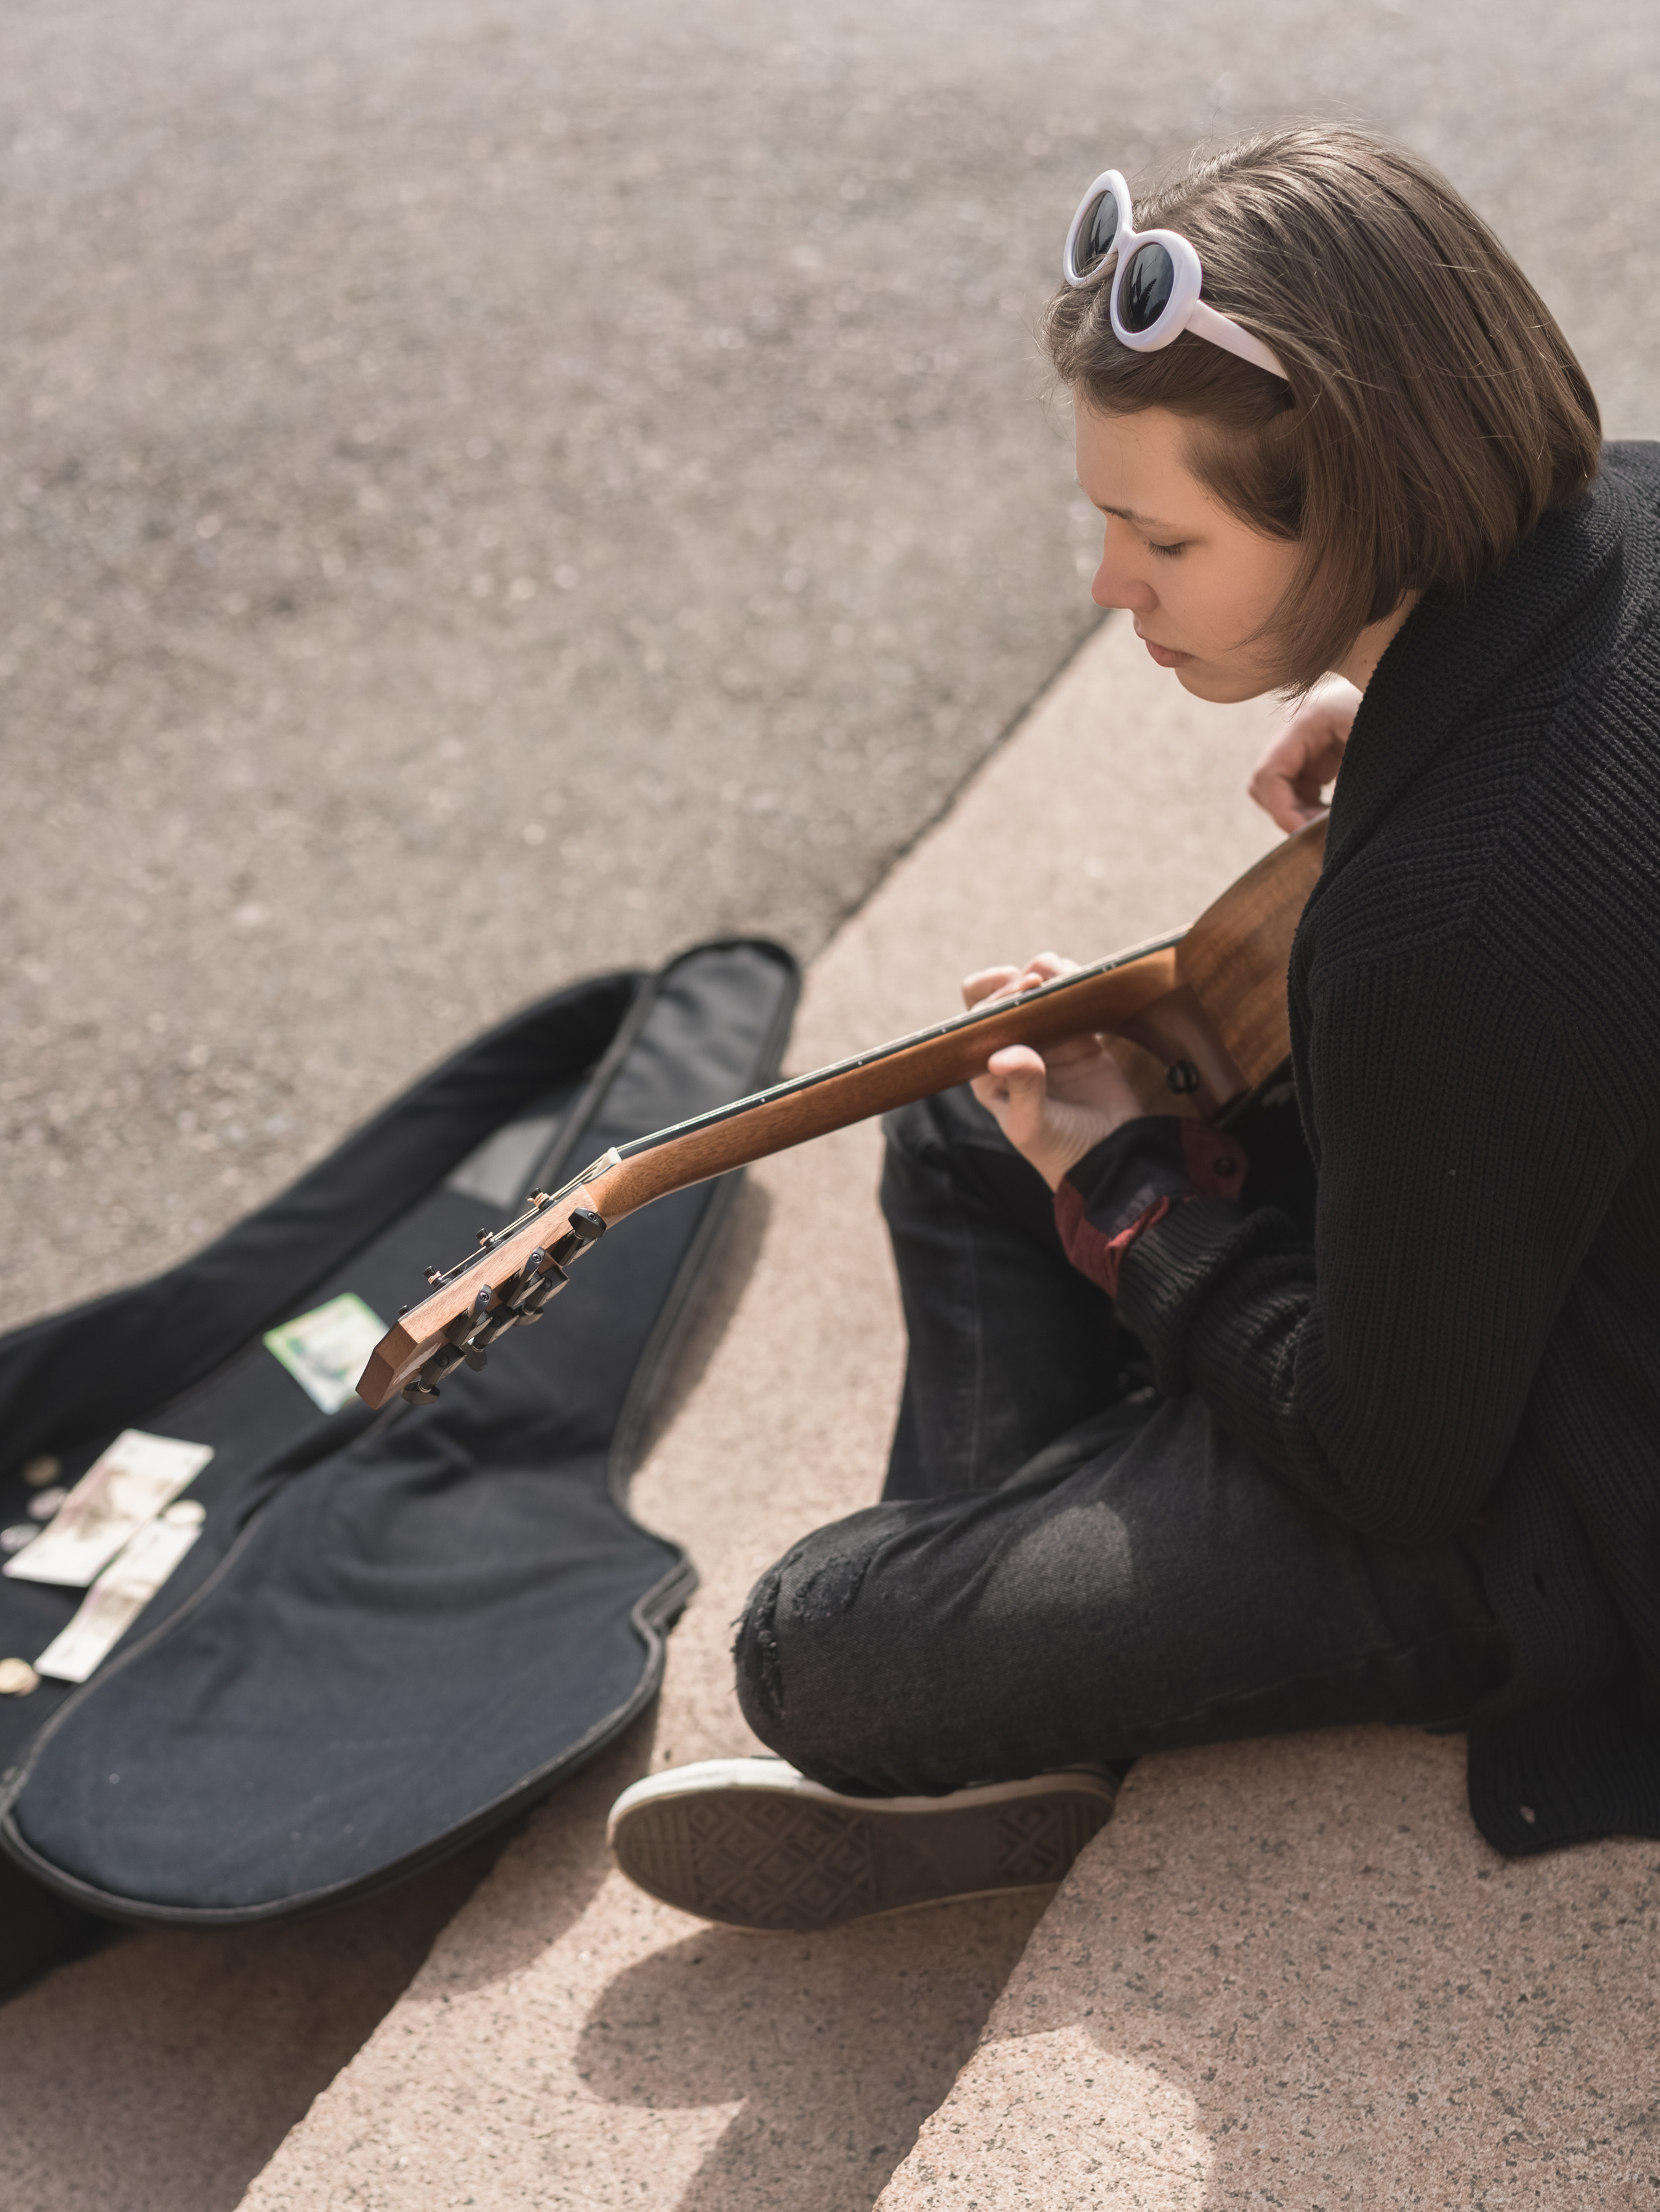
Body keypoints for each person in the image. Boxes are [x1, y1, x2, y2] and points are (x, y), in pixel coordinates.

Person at [608, 128, 1660, 1933]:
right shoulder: (1624, 502)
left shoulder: (1441, 933)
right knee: (965, 1111)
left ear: (1368, 503)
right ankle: (1043, 1639)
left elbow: (1397, 1464)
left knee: (817, 1646)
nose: (1110, 585)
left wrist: (1141, 1201)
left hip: (1555, 1495)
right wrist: (1386, 692)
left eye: (1163, 534)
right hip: (1541, 1212)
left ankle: (1005, 1650)